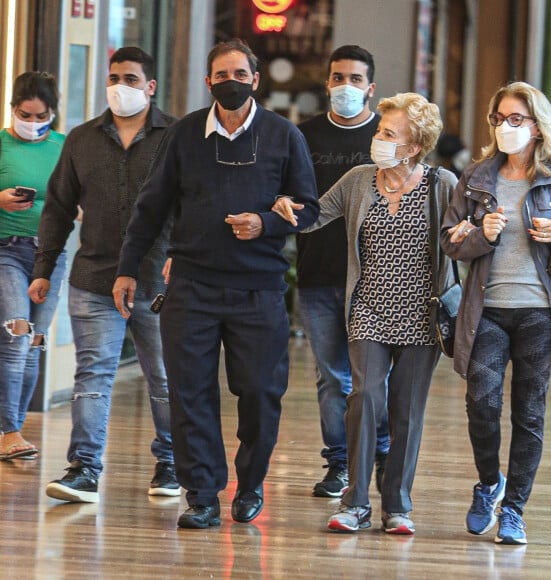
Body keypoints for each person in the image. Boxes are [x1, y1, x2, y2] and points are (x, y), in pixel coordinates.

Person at [112, 39, 319, 529]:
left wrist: (266, 223)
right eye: (221, 74)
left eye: (240, 74)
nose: (231, 82)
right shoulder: (184, 135)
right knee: (190, 394)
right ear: (208, 82)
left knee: (261, 393)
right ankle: (201, 492)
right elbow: (151, 207)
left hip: (260, 289)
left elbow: (308, 209)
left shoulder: (284, 136)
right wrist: (126, 267)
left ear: (255, 80)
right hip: (192, 287)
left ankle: (250, 485)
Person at [274, 93, 457, 534]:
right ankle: (355, 503)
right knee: (364, 398)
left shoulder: (442, 184)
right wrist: (284, 210)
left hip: (422, 315)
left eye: (388, 133)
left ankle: (397, 505)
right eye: (379, 131)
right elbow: (316, 215)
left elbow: (461, 238)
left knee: (406, 411)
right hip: (369, 310)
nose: (378, 138)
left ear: (413, 145)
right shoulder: (359, 179)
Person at [28, 47, 177, 502]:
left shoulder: (177, 137)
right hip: (94, 276)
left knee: (166, 378)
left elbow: (196, 204)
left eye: (131, 79)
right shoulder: (82, 139)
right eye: (114, 77)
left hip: (159, 282)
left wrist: (186, 256)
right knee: (92, 375)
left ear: (150, 87)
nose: (121, 87)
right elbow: (56, 207)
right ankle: (84, 468)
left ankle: (170, 462)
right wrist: (43, 268)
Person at [441, 81, 551, 545]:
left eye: (515, 119)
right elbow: (450, 240)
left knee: (529, 412)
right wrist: (482, 232)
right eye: (499, 119)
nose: (505, 127)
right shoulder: (477, 176)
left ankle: (515, 509)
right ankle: (488, 483)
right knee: (480, 401)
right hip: (488, 311)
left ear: (537, 126)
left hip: (541, 311)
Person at [296, 45, 390, 498]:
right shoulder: (303, 136)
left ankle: (384, 454)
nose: (345, 87)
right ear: (326, 83)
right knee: (331, 376)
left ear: (371, 88)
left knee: (374, 376)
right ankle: (338, 463)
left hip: (376, 279)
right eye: (338, 78)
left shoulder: (387, 137)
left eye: (355, 79)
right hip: (317, 276)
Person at [0, 72, 66, 461]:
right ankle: (9, 430)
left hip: (51, 253)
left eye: (41, 116)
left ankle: (13, 428)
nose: (32, 122)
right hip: (6, 249)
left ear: (52, 115)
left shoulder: (65, 146)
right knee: (15, 334)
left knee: (34, 343)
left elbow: (77, 198)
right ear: (13, 109)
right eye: (24, 114)